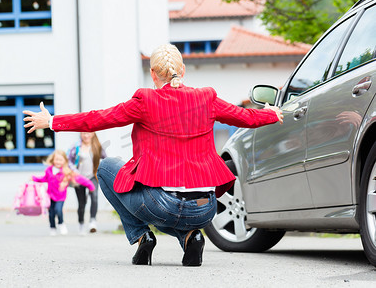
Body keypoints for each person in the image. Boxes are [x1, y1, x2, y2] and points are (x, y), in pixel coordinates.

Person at [23, 44, 283, 265]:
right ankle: (192, 236)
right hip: (206, 209)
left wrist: (54, 121)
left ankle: (141, 236)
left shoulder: (145, 100)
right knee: (177, 210)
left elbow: (100, 119)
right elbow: (245, 117)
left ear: (152, 74)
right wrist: (271, 113)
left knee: (106, 168)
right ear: (183, 70)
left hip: (161, 204)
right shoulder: (207, 97)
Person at [32, 150, 95, 236]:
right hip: (50, 195)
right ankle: (52, 227)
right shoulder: (49, 170)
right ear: (53, 160)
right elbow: (44, 178)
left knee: (58, 210)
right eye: (56, 159)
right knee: (51, 213)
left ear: (65, 161)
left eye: (60, 160)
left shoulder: (66, 172)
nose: (58, 162)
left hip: (60, 197)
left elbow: (79, 179)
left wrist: (90, 185)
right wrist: (34, 178)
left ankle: (61, 223)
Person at [67, 132, 106, 233]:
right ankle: (81, 223)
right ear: (80, 134)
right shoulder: (75, 147)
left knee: (94, 197)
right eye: (83, 133)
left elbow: (106, 159)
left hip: (92, 177)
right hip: (79, 177)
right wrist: (74, 171)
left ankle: (93, 221)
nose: (86, 135)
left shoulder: (97, 146)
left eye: (88, 133)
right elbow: (68, 161)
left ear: (93, 134)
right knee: (81, 202)